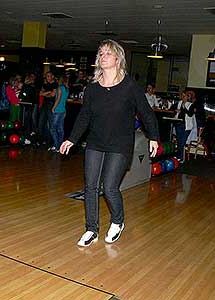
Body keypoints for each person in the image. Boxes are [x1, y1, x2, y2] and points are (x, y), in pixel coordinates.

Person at [60, 39, 159, 247]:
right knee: (90, 187)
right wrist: (72, 138)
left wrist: (154, 137)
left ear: (117, 58)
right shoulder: (92, 89)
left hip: (120, 144)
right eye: (101, 53)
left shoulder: (129, 86)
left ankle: (117, 221)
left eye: (108, 53)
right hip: (95, 142)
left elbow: (147, 114)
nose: (103, 56)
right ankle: (91, 229)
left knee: (110, 187)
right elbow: (84, 116)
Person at [173, 91, 195, 161]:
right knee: (179, 141)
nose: (183, 97)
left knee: (182, 142)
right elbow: (172, 108)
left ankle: (180, 157)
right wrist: (175, 110)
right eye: (182, 96)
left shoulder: (190, 105)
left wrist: (183, 109)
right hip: (179, 124)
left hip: (186, 126)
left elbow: (190, 114)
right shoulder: (179, 103)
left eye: (184, 96)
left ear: (188, 97)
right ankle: (180, 157)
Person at [49, 76, 69, 152]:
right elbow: (64, 100)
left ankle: (56, 145)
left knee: (52, 129)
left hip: (57, 110)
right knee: (60, 129)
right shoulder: (66, 89)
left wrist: (53, 108)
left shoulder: (60, 88)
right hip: (63, 110)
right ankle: (60, 146)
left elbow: (58, 99)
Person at [39, 71, 57, 146]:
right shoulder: (45, 84)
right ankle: (41, 140)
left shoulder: (55, 84)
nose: (47, 78)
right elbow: (40, 94)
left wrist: (45, 94)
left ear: (52, 76)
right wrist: (48, 92)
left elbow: (53, 95)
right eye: (46, 76)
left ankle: (49, 141)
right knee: (41, 123)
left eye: (49, 76)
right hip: (44, 104)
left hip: (51, 105)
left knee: (50, 124)